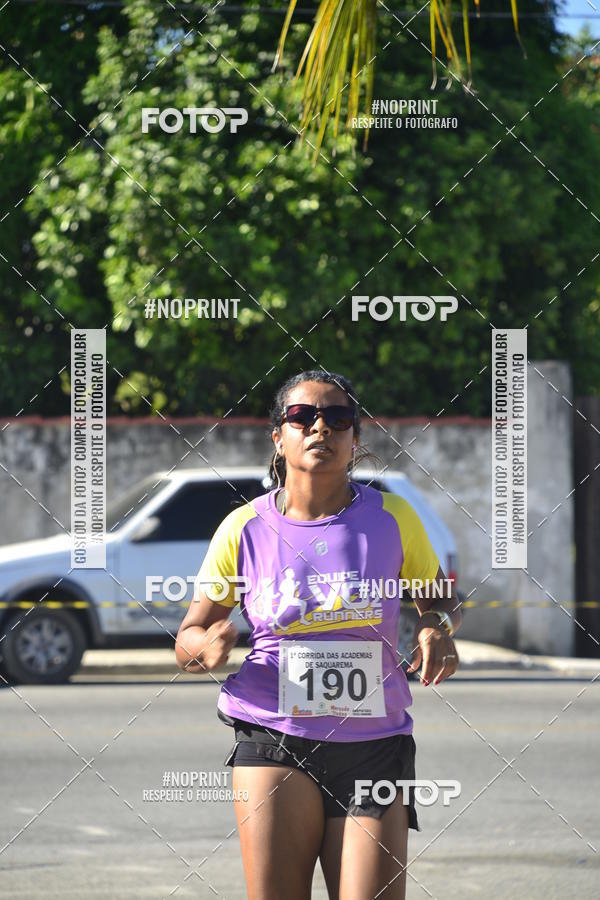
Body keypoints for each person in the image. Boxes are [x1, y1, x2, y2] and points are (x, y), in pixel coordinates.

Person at [175, 370, 461, 900]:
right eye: (302, 417)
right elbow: (189, 635)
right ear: (278, 438)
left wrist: (436, 625)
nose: (320, 428)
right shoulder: (243, 528)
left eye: (338, 418)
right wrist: (206, 647)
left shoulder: (393, 518)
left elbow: (440, 601)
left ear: (356, 439)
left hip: (375, 745)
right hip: (273, 737)